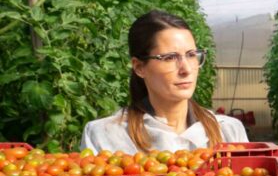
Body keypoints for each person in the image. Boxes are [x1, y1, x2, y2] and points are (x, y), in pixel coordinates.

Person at [81, 10, 248, 153]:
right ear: (139, 67)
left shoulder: (228, 131)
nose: (186, 69)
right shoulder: (105, 135)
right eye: (169, 58)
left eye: (191, 55)